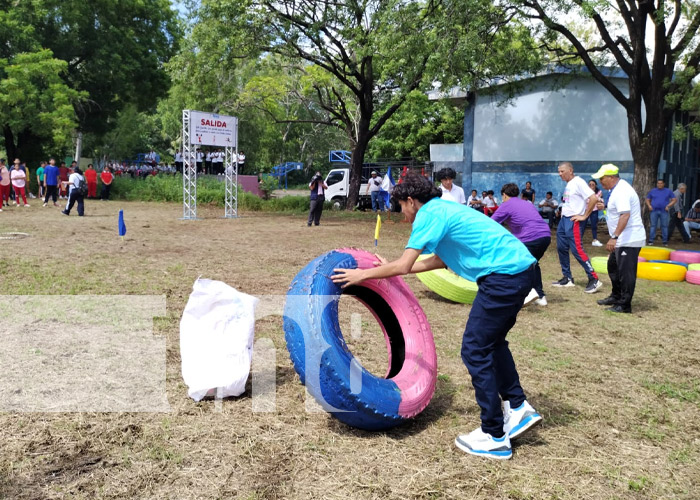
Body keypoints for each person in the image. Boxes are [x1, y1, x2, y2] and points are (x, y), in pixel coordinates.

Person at [332, 173, 541, 460]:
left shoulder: (429, 214)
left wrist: (363, 274)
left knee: (474, 350)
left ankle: (494, 435)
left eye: (401, 207)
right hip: (520, 272)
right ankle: (518, 407)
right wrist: (392, 264)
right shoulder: (445, 209)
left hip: (503, 277)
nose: (402, 214)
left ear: (410, 201)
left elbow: (405, 265)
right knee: (493, 343)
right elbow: (439, 259)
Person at [592, 164, 646, 313]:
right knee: (613, 267)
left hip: (629, 238)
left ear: (611, 177)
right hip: (623, 238)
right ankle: (616, 296)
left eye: (602, 178)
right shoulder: (616, 190)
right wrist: (606, 208)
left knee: (625, 273)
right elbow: (618, 211)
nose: (600, 181)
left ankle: (624, 305)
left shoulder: (622, 191)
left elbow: (625, 215)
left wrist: (614, 237)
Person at [492, 183, 551, 306]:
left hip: (530, 238)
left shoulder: (506, 205)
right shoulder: (525, 203)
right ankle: (540, 296)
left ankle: (528, 293)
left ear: (504, 195)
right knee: (532, 264)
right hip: (545, 235)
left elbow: (490, 223)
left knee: (519, 264)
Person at [553, 162, 602, 293]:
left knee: (577, 250)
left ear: (570, 170)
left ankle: (594, 279)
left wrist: (585, 216)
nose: (560, 174)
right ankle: (567, 278)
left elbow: (593, 198)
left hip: (574, 220)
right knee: (561, 248)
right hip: (564, 220)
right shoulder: (569, 184)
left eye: (562, 171)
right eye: (559, 172)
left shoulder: (578, 181)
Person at [645, 179, 676, 246]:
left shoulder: (668, 191)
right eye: (658, 183)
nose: (659, 184)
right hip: (654, 210)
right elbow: (647, 199)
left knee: (664, 226)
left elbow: (674, 200)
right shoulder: (653, 191)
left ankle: (665, 241)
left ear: (664, 184)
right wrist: (649, 206)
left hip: (664, 211)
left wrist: (668, 206)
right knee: (653, 226)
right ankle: (651, 240)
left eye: (661, 183)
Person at [580, 179, 604, 247]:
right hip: (586, 210)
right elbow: (586, 200)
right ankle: (579, 240)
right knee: (582, 225)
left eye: (593, 185)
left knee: (594, 225)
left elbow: (601, 200)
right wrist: (596, 199)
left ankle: (595, 240)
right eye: (590, 184)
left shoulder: (599, 192)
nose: (591, 186)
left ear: (595, 185)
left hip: (594, 211)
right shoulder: (585, 192)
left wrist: (597, 199)